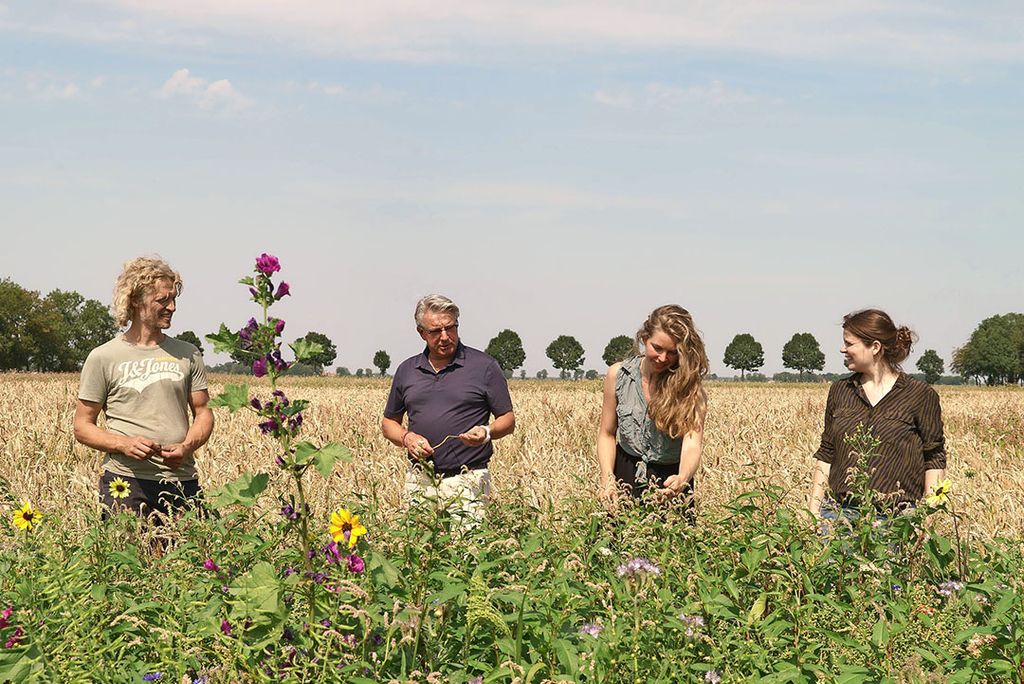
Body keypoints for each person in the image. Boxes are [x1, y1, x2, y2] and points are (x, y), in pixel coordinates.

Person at [73, 256, 213, 519]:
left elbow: (204, 413)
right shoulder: (104, 357)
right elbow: (82, 426)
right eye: (163, 300)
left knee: (187, 560)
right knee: (128, 558)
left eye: (174, 300)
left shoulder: (188, 353)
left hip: (182, 482)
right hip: (125, 483)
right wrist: (123, 444)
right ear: (136, 300)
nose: (172, 307)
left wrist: (187, 447)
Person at [381, 294, 515, 523]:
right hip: (420, 480)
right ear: (421, 333)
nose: (445, 337)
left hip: (467, 481)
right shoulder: (407, 370)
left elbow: (508, 420)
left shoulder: (484, 366)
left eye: (450, 328)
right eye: (435, 331)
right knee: (419, 551)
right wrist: (407, 438)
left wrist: (486, 433)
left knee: (469, 552)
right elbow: (388, 423)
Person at [807, 309, 946, 519]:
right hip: (838, 516)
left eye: (849, 343)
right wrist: (813, 512)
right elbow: (827, 453)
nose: (842, 349)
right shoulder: (840, 391)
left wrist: (928, 520)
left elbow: (933, 457)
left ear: (874, 347)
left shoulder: (920, 395)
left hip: (896, 520)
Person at [597, 305, 709, 504]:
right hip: (624, 474)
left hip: (671, 480)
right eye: (657, 348)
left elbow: (692, 442)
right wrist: (607, 480)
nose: (663, 358)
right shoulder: (618, 375)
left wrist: (682, 478)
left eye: (673, 353)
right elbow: (606, 433)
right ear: (644, 339)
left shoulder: (690, 388)